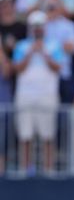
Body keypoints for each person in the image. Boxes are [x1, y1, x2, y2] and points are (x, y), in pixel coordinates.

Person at [13, 10, 64, 174]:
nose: (37, 29)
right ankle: (25, 170)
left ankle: (48, 170)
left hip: (47, 94)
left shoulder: (54, 45)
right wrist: (30, 53)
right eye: (35, 26)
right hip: (25, 95)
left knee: (47, 135)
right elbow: (17, 69)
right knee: (25, 135)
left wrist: (44, 53)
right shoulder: (22, 45)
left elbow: (57, 68)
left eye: (40, 26)